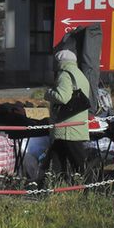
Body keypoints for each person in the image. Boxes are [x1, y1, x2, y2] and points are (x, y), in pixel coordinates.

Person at [44, 49, 90, 179]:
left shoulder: (65, 74)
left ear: (59, 62)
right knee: (55, 160)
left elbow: (63, 97)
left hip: (67, 127)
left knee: (80, 163)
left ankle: (92, 187)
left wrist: (48, 93)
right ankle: (47, 186)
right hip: (77, 124)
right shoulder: (80, 74)